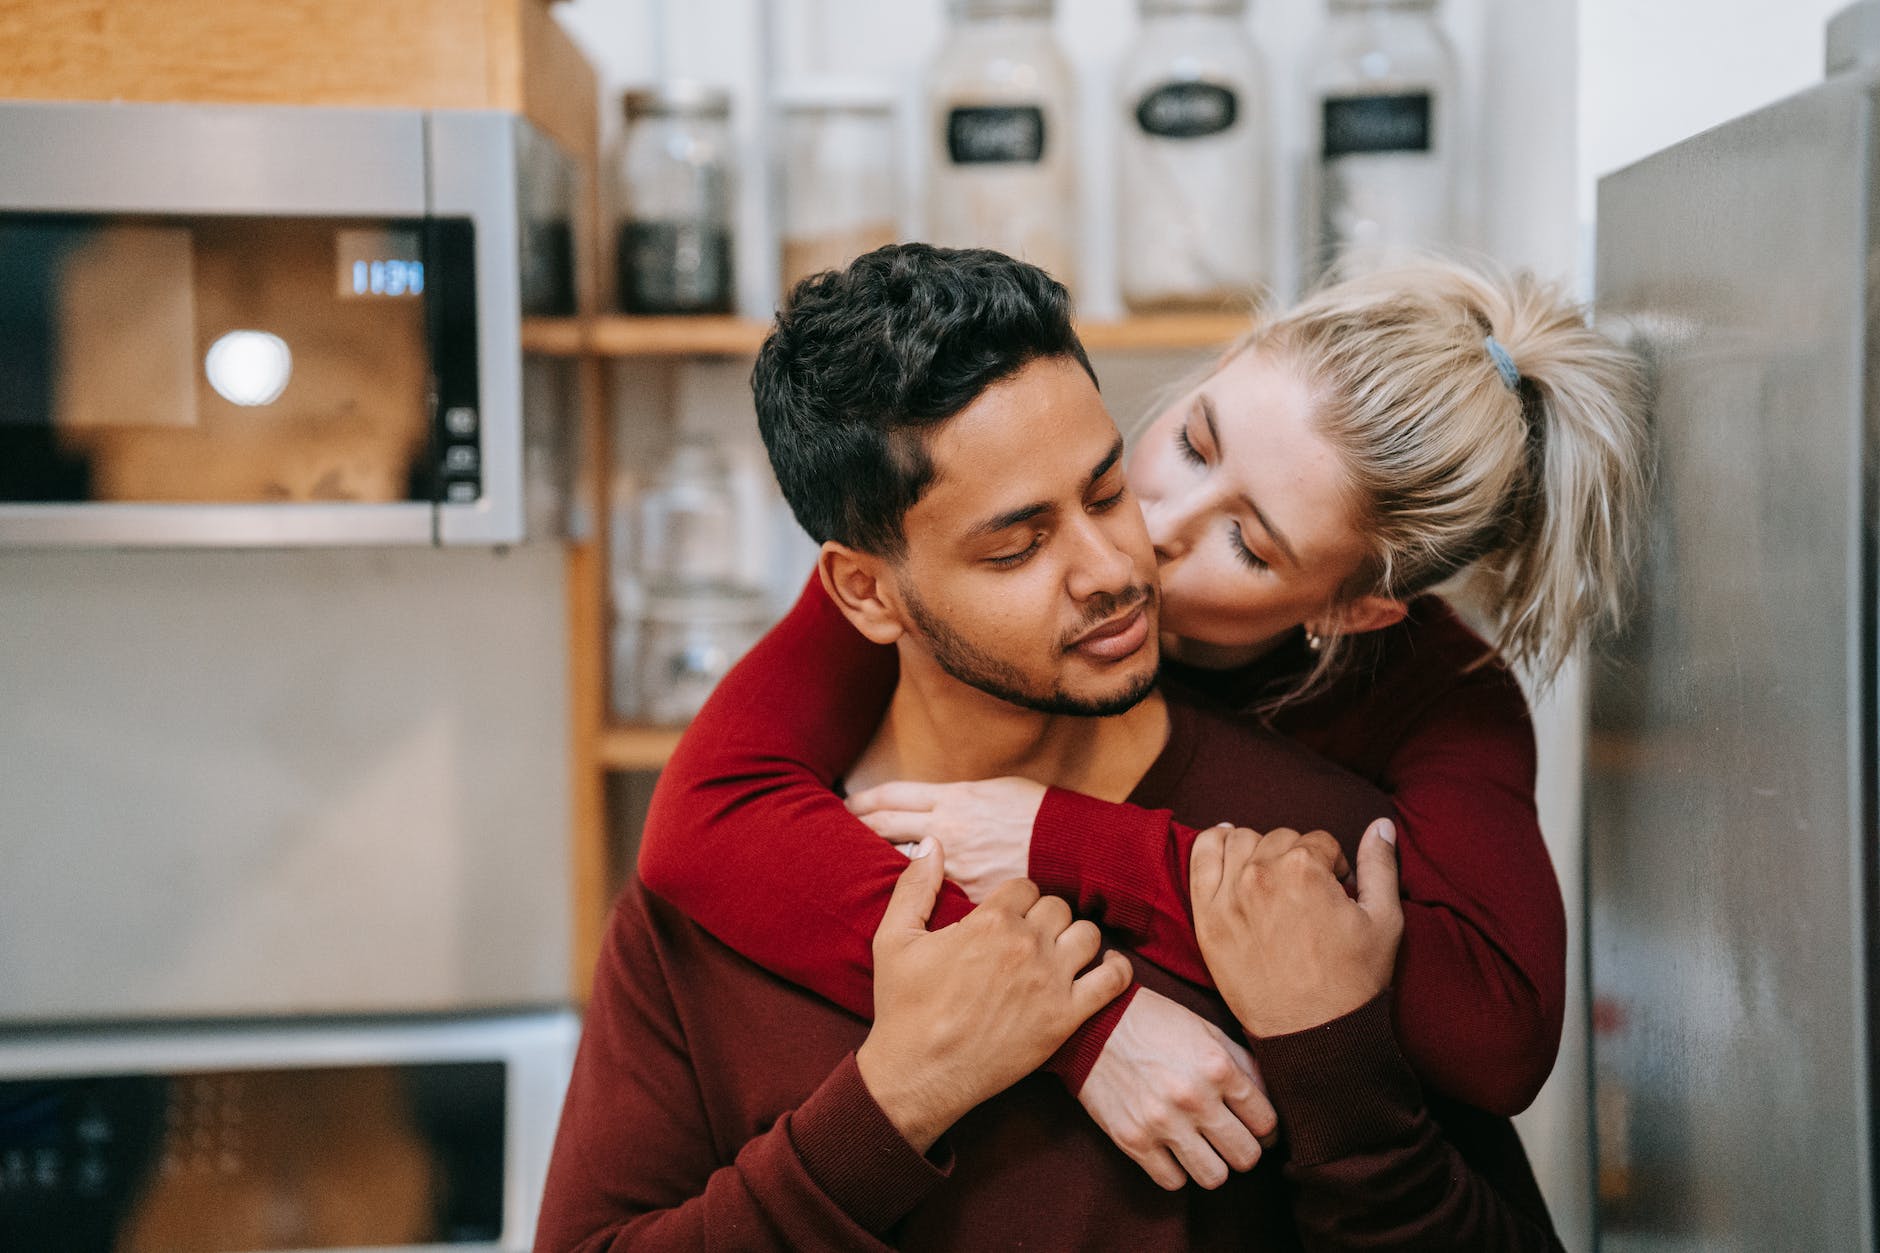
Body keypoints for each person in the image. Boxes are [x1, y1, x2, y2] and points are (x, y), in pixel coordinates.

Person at [535, 244, 1563, 1249]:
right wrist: (898, 1098)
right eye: (1017, 545)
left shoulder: (1312, 873)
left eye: (1106, 487)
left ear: (1349, 609)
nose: (1127, 555)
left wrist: (1327, 1049)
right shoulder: (730, 887)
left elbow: (1496, 1040)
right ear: (864, 589)